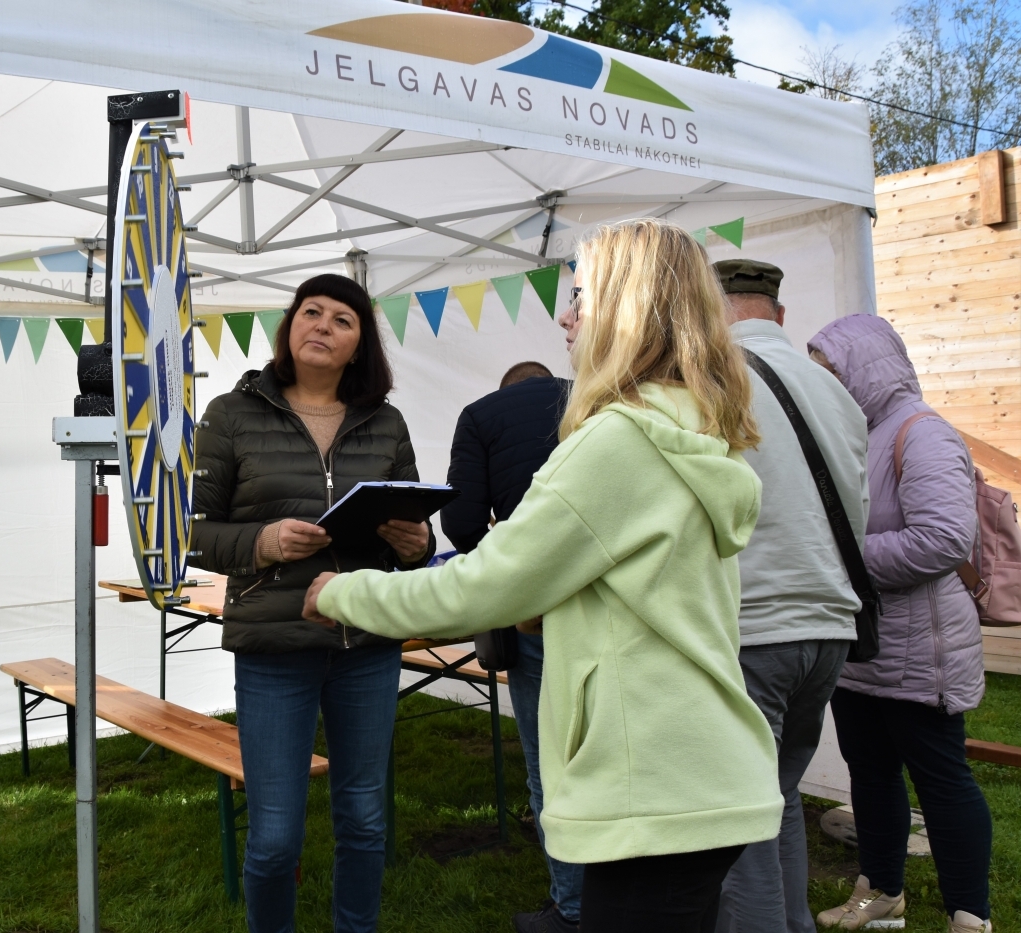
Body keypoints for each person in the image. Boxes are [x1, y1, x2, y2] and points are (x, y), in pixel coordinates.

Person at [303, 219, 785, 933]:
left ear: (626, 309)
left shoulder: (620, 442)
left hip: (651, 784)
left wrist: (341, 591)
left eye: (582, 296)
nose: (565, 316)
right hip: (699, 770)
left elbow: (476, 587)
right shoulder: (695, 432)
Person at [188, 273, 435, 933]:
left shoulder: (385, 421)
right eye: (311, 312)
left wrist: (415, 541)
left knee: (364, 816)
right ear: (289, 326)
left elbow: (412, 523)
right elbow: (189, 530)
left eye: (342, 319)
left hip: (369, 641)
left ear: (360, 346)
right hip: (274, 649)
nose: (323, 325)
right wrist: (262, 541)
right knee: (273, 836)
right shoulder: (230, 414)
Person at [807, 315, 993, 933]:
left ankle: (969, 913)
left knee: (943, 783)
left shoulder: (923, 433)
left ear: (863, 369)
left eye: (829, 370)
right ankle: (882, 891)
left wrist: (838, 557)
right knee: (871, 774)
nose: (822, 382)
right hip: (865, 647)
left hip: (922, 651)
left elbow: (941, 541)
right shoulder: (854, 433)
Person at [708, 260, 870, 933]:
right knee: (775, 799)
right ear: (776, 315)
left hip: (755, 621)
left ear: (714, 311)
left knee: (736, 820)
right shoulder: (836, 391)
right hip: (829, 625)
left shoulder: (712, 380)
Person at [442, 360, 582, 933]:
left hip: (540, 612)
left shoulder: (480, 416)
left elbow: (463, 522)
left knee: (551, 761)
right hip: (619, 603)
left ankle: (573, 908)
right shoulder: (598, 392)